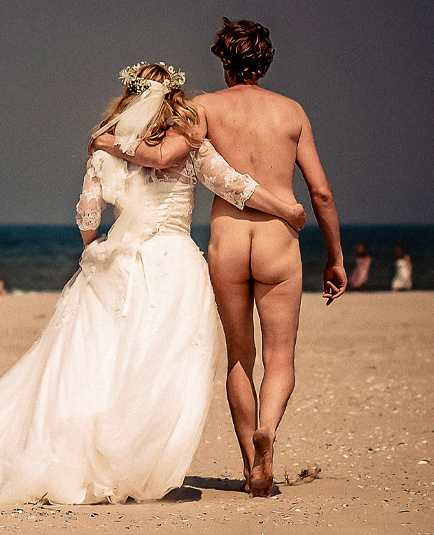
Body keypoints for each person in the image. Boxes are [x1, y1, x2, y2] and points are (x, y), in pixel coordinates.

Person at [0, 62, 305, 505]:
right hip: (173, 263)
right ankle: (136, 465)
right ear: (172, 100)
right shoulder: (190, 146)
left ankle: (90, 460)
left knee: (102, 362)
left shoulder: (106, 148)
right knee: (159, 368)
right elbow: (236, 187)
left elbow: (88, 213)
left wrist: (93, 245)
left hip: (120, 261)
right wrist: (286, 209)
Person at [93, 18, 346, 497]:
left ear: (224, 60)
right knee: (280, 358)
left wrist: (107, 140)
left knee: (239, 357)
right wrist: (334, 256)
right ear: (265, 60)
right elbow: (322, 193)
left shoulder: (203, 108)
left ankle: (251, 464)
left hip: (227, 243)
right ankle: (267, 431)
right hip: (276, 241)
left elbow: (163, 156)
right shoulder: (292, 112)